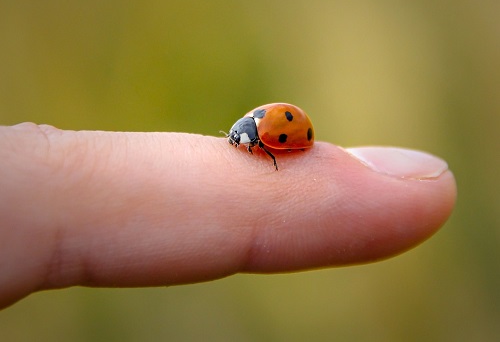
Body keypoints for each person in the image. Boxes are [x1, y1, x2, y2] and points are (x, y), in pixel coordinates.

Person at [0, 122, 456, 309]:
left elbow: (284, 141)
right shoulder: (252, 132)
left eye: (240, 140)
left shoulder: (263, 134)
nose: (239, 145)